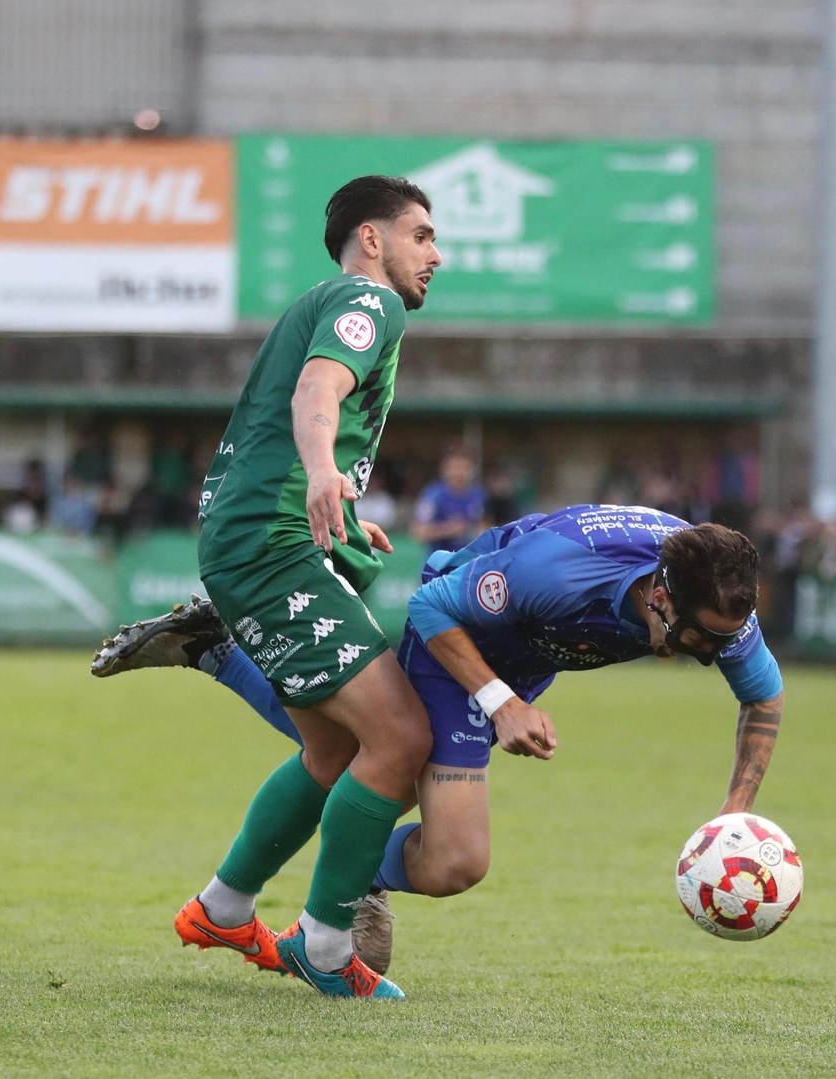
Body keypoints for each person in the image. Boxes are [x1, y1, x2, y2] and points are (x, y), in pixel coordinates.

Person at [92, 505, 785, 978]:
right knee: (444, 843)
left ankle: (215, 652)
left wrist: (734, 812)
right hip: (456, 632)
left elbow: (763, 698)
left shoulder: (715, 601)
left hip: (518, 659)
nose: (711, 655)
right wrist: (500, 701)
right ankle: (222, 660)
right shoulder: (559, 572)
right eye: (702, 639)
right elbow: (432, 606)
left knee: (355, 755)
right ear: (661, 598)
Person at [172, 174, 442, 1000]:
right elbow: (318, 387)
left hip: (257, 539)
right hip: (270, 545)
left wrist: (342, 510)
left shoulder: (328, 300)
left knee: (334, 752)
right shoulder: (369, 301)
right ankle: (324, 946)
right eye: (422, 235)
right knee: (401, 739)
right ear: (372, 239)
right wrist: (325, 472)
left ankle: (222, 908)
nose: (436, 254)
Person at [409, 448, 488, 553]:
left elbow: (484, 524)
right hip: (440, 561)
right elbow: (418, 533)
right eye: (455, 468)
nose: (459, 473)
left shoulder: (478, 494)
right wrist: (449, 529)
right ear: (444, 469)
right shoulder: (433, 495)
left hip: (468, 560)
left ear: (472, 470)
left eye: (464, 468)